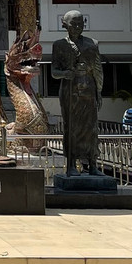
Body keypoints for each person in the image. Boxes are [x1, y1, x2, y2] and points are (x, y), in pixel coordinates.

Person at [51, 10, 103, 176]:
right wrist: (65, 74)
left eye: (81, 24)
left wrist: (99, 91)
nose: (78, 27)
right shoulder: (59, 45)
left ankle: (93, 164)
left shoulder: (92, 43)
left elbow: (98, 70)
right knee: (71, 127)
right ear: (64, 25)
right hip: (70, 89)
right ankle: (71, 164)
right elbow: (54, 72)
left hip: (89, 88)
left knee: (91, 127)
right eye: (74, 24)